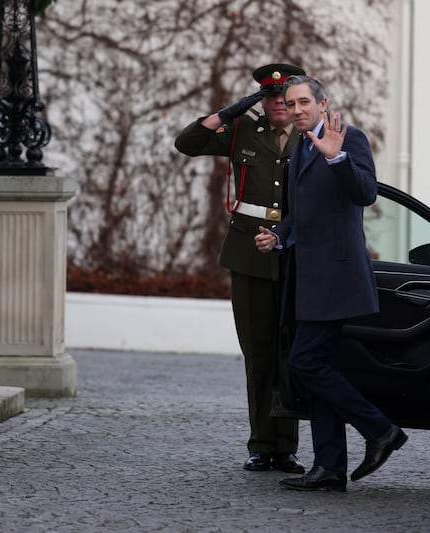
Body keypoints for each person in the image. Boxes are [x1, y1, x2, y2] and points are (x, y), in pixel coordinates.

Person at [254, 76, 407, 492]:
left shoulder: (347, 138)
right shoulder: (301, 146)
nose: (297, 109)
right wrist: (279, 235)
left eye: (305, 102)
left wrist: (338, 159)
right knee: (320, 367)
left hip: (337, 276)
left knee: (305, 362)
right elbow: (303, 212)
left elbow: (366, 193)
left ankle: (380, 431)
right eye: (291, 103)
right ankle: (330, 467)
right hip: (307, 277)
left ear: (323, 104)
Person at [174, 64, 306, 474]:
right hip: (249, 254)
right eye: (268, 98)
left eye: (284, 97)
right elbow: (188, 142)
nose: (277, 105)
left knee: (290, 352)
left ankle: (287, 448)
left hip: (296, 255)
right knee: (258, 353)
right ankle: (261, 444)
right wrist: (229, 113)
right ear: (259, 101)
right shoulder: (244, 131)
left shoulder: (312, 134)